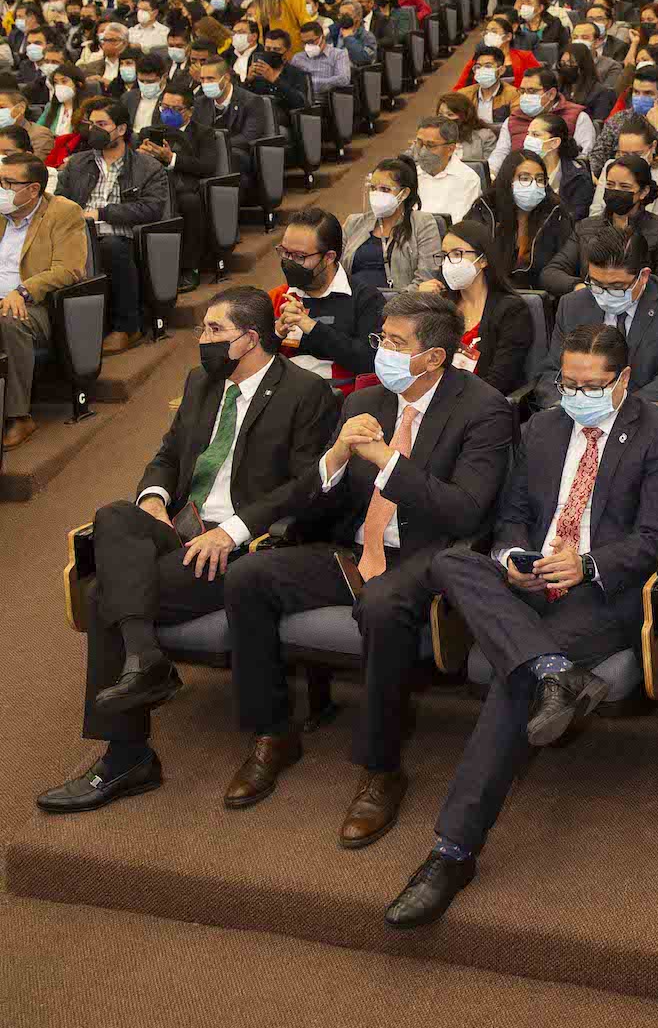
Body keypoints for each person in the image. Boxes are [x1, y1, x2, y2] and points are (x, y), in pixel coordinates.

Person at [390, 325, 658, 928]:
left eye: (591, 385)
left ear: (624, 380)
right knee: (452, 561)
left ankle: (452, 852)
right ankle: (555, 671)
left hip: (600, 594)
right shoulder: (541, 427)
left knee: (514, 684)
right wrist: (512, 561)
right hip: (528, 590)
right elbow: (510, 518)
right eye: (567, 382)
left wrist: (587, 565)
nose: (575, 394)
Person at [221, 293, 514, 840]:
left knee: (380, 607)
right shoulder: (369, 401)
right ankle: (272, 734)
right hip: (355, 550)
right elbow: (324, 504)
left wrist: (388, 462)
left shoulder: (483, 408)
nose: (382, 352)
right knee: (247, 577)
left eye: (397, 344)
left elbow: (466, 510)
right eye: (381, 340)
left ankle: (381, 770)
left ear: (434, 358)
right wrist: (332, 462)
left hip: (430, 555)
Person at [35, 291, 339, 810]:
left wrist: (234, 530)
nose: (202, 342)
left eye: (214, 332)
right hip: (180, 526)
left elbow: (305, 487)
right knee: (114, 515)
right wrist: (154, 501)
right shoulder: (201, 383)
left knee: (103, 593)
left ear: (251, 338)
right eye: (202, 331)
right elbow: (167, 455)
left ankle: (127, 754)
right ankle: (147, 660)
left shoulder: (306, 392)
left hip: (238, 542)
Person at [535, 223, 658, 411]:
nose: (604, 293)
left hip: (645, 415)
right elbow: (552, 372)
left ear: (644, 276)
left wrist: (616, 410)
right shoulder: (572, 305)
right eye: (596, 283)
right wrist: (562, 407)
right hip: (578, 413)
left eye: (616, 287)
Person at [57, 95, 169, 352]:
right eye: (91, 124)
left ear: (121, 129)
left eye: (102, 124)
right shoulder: (77, 163)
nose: (94, 130)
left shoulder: (147, 166)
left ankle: (127, 327)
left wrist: (102, 213)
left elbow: (151, 208)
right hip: (78, 231)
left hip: (121, 235)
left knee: (110, 247)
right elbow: (60, 201)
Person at [0, 151, 87, 449]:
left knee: (10, 318)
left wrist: (21, 292)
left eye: (9, 183)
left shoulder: (63, 212)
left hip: (37, 306)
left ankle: (18, 415)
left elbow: (69, 269)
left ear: (33, 189)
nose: (2, 189)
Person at [541, 153, 658, 296]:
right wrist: (582, 288)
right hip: (593, 305)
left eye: (624, 187)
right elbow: (551, 273)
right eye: (610, 185)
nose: (616, 191)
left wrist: (626, 293)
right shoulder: (586, 227)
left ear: (643, 192)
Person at [273, 206, 384, 385]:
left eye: (300, 256)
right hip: (283, 392)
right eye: (285, 253)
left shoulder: (366, 299)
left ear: (329, 257)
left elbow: (369, 361)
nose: (289, 262)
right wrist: (277, 332)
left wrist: (312, 327)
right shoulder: (278, 296)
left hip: (338, 395)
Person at [428, 218, 533, 396]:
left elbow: (501, 379)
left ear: (483, 260)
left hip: (483, 404)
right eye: (445, 255)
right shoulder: (441, 306)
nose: (448, 263)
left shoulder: (511, 310)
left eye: (457, 254)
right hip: (438, 399)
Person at [135, 77, 213, 291]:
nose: (167, 112)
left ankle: (189, 268)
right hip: (153, 186)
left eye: (174, 108)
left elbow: (207, 166)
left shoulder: (204, 133)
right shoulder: (148, 132)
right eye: (164, 107)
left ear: (189, 110)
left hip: (185, 187)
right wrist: (140, 156)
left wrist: (172, 158)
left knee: (189, 202)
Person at [342, 157, 443, 295]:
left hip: (401, 306)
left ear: (404, 193)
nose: (377, 194)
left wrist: (399, 299)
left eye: (385, 189)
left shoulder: (423, 224)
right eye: (373, 188)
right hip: (354, 303)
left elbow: (426, 279)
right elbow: (334, 270)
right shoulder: (354, 223)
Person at [488, 146, 574, 291]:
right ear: (508, 180)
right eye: (525, 178)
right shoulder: (487, 209)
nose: (534, 186)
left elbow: (564, 266)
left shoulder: (556, 214)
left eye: (540, 179)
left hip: (541, 294)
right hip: (494, 293)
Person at [590, 112, 658, 219]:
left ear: (653, 147)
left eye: (637, 154)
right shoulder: (609, 167)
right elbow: (596, 212)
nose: (630, 159)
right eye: (624, 154)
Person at [193, 51, 271, 175]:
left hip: (237, 153)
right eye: (202, 79)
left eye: (210, 78)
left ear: (226, 78)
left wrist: (216, 146)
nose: (205, 83)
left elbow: (248, 137)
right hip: (207, 153)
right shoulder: (199, 102)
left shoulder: (251, 101)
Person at [412, 111, 485, 222]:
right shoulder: (410, 175)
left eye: (430, 145)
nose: (422, 151)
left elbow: (460, 225)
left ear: (450, 149)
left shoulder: (468, 179)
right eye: (419, 143)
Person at [524, 110, 592, 218]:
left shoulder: (577, 178)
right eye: (528, 134)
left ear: (554, 143)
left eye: (535, 135)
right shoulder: (518, 167)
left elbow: (576, 219)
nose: (528, 139)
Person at [290, 17, 352, 101]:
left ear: (322, 38)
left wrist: (310, 84)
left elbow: (343, 79)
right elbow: (292, 82)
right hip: (304, 103)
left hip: (328, 102)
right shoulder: (298, 58)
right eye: (304, 43)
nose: (308, 45)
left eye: (311, 42)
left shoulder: (338, 55)